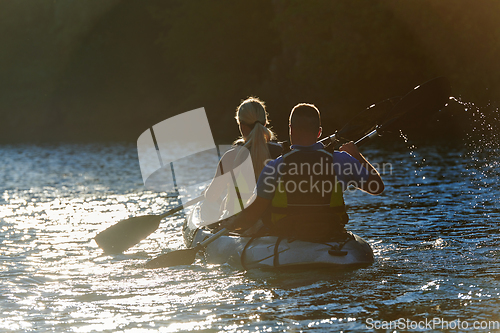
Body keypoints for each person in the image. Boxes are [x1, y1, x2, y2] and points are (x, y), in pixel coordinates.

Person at [221, 103, 384, 242]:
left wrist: (231, 224)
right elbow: (377, 187)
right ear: (319, 132)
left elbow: (252, 216)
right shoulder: (342, 160)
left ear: (290, 130)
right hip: (330, 234)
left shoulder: (275, 166)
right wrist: (356, 155)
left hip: (288, 237)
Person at [203, 97, 282, 222]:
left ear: (242, 126)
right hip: (274, 223)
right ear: (265, 124)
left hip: (239, 225)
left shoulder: (231, 157)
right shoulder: (282, 153)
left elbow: (211, 196)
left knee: (219, 204)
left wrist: (206, 193)